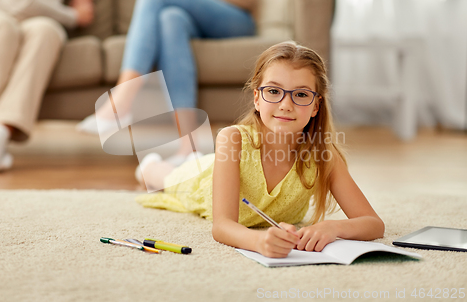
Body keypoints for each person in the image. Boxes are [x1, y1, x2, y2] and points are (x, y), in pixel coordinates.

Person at [135, 41, 385, 258]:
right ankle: (154, 164)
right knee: (161, 176)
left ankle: (193, 158)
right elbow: (222, 226)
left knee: (191, 163)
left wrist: (333, 228)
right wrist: (258, 242)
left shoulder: (324, 156)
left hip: (219, 163)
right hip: (201, 182)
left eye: (300, 94)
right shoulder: (231, 139)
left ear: (316, 106)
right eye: (274, 91)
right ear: (257, 98)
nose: (286, 105)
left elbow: (373, 224)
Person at [77, 0, 258, 160]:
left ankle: (121, 102)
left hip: (233, 19)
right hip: (191, 21)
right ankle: (189, 148)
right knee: (170, 19)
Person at [0, 0, 97, 171]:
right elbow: (17, 0)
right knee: (2, 29)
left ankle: (0, 130)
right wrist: (73, 16)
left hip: (35, 17)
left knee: (47, 31)